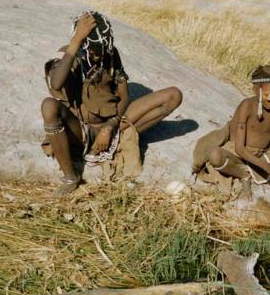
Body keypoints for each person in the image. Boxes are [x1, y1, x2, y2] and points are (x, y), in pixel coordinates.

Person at [41, 11, 182, 197]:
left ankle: (118, 140)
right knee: (48, 106)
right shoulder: (70, 56)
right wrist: (77, 41)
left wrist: (109, 127)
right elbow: (56, 83)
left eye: (101, 48)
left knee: (173, 95)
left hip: (115, 124)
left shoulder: (110, 54)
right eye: (91, 48)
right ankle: (70, 177)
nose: (97, 54)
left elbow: (124, 97)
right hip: (81, 130)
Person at [192, 64, 270, 205]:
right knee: (215, 155)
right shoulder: (246, 106)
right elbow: (240, 149)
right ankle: (244, 176)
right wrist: (268, 167)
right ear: (256, 90)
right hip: (239, 155)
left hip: (265, 153)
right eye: (268, 95)